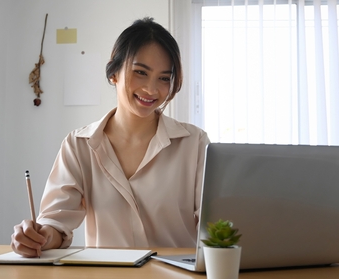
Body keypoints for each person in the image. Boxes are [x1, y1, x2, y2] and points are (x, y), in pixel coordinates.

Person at [11, 17, 210, 258]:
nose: (151, 89)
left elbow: (216, 228)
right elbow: (55, 223)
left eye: (164, 78)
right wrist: (38, 237)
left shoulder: (195, 144)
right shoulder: (79, 145)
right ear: (114, 72)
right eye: (140, 72)